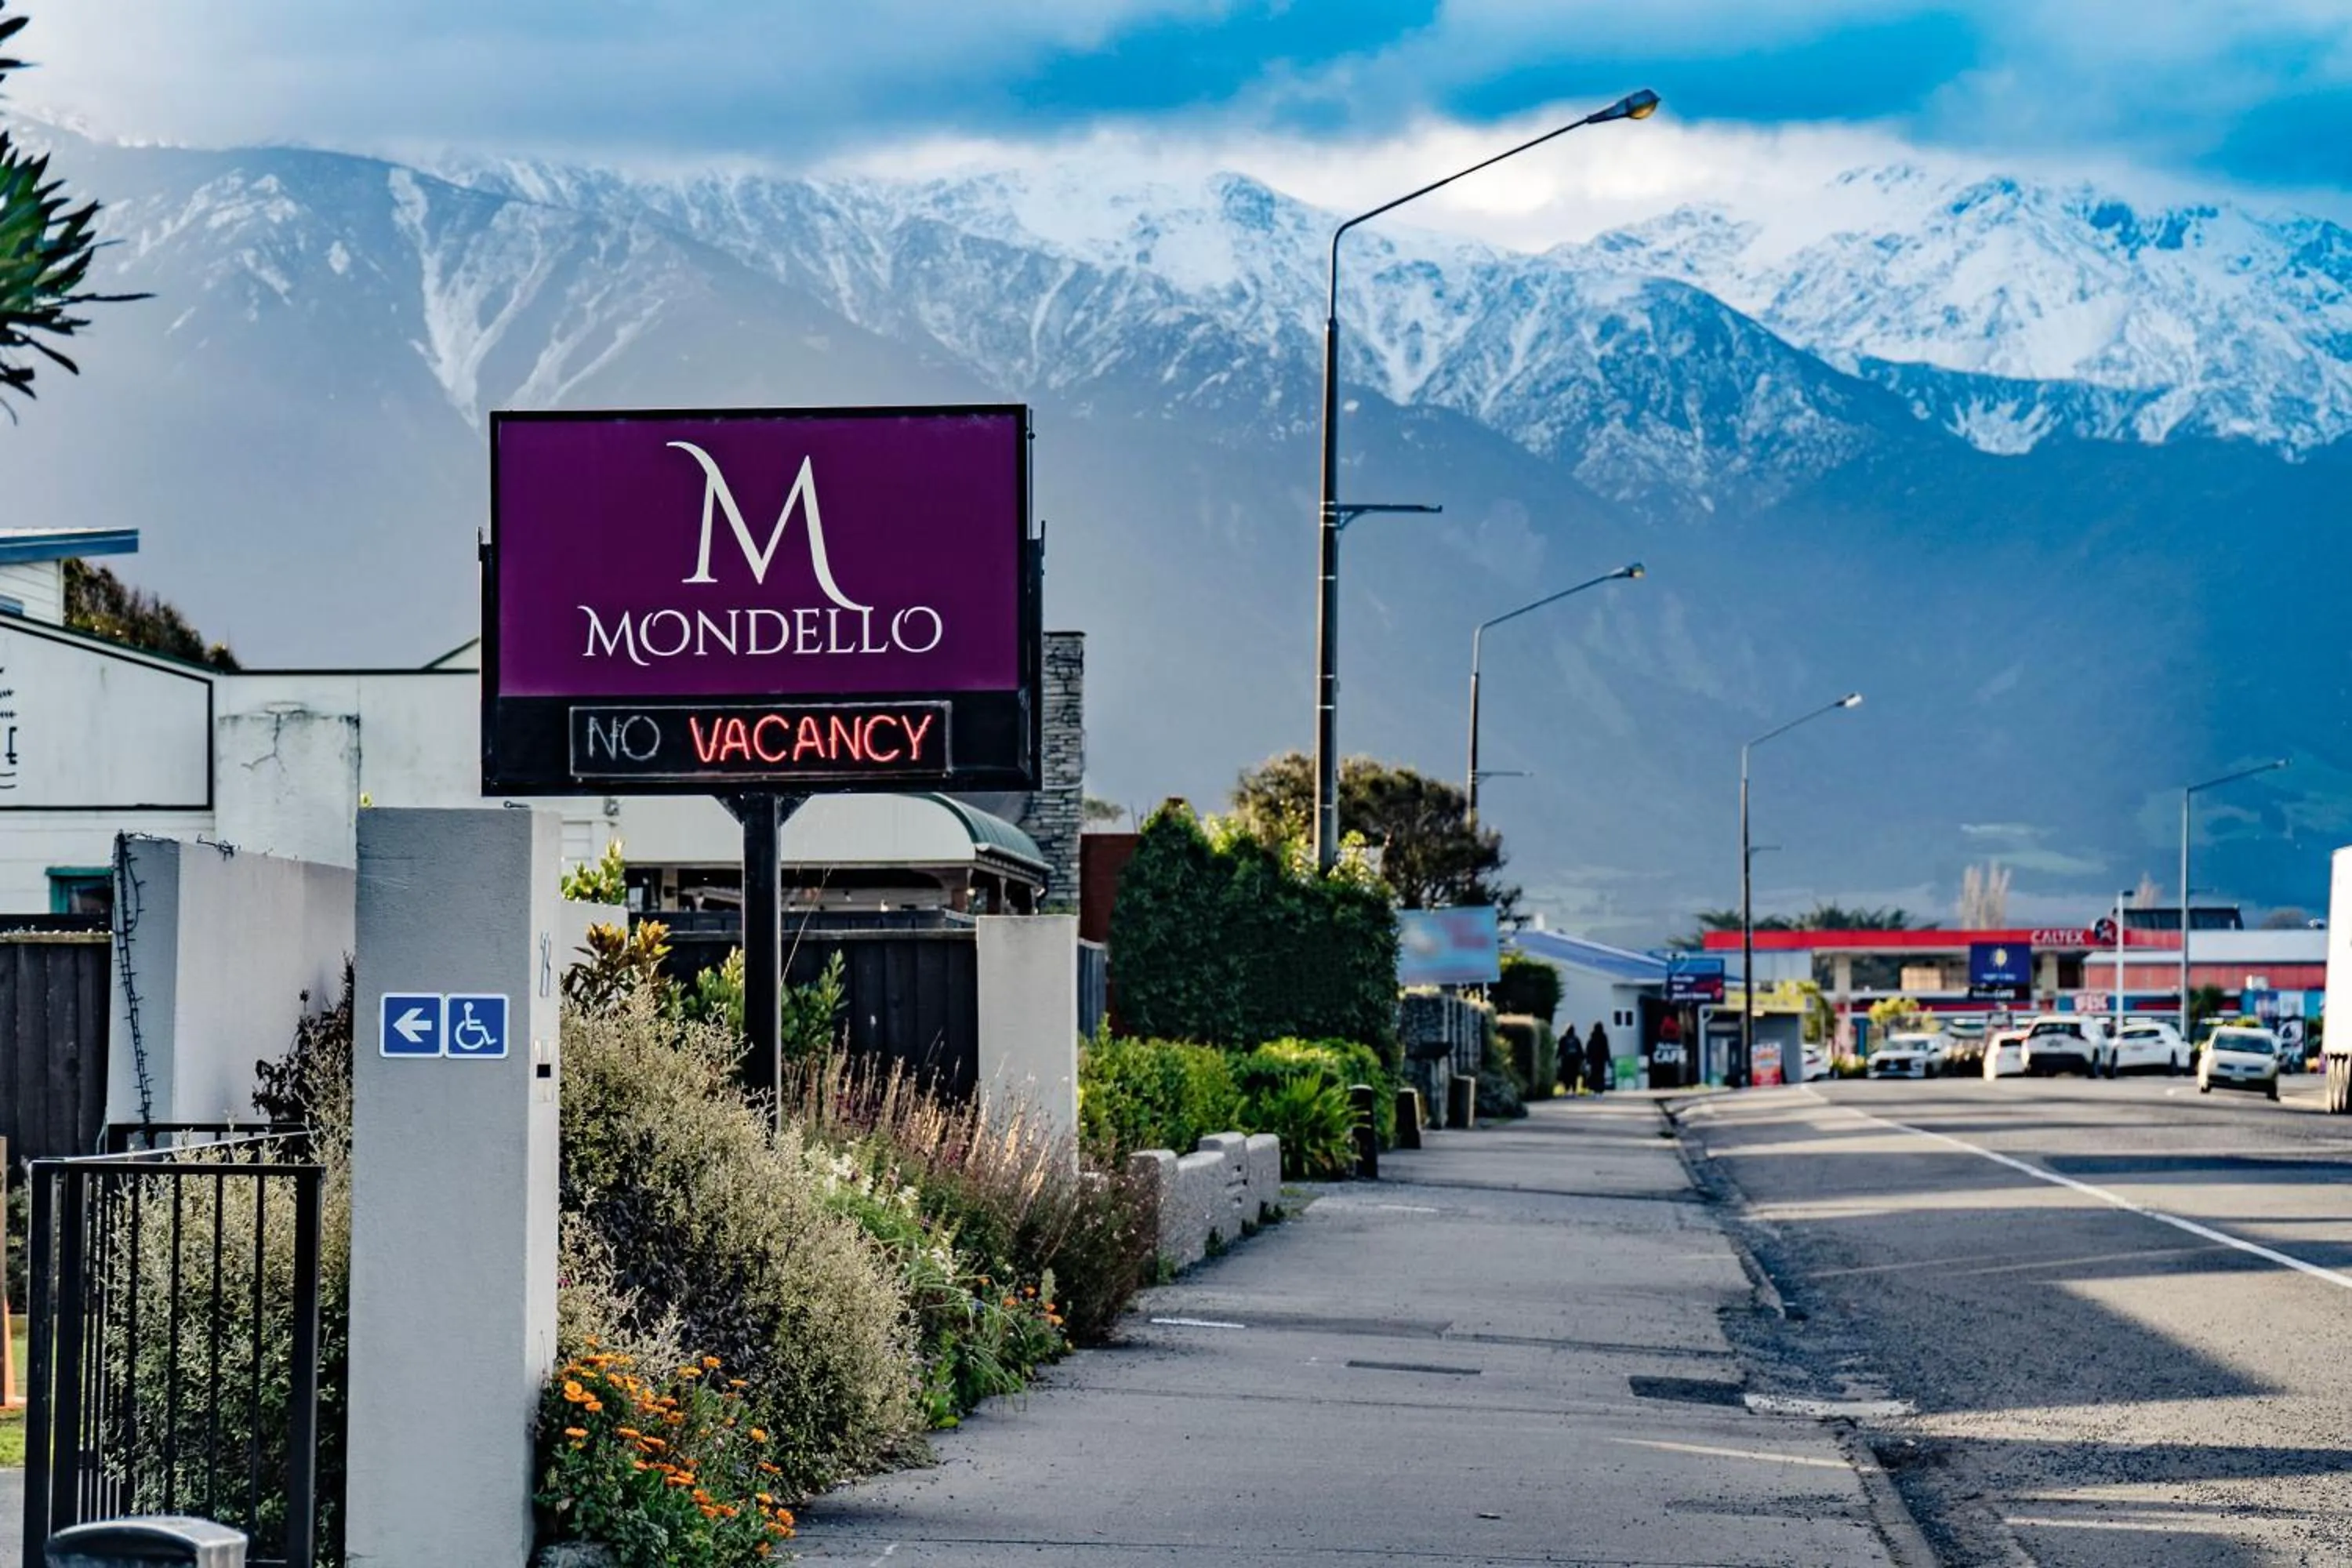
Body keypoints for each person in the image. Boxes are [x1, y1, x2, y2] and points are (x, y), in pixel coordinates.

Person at [1586, 1021, 1612, 1096]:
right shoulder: (1604, 1037)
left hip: (1594, 1060)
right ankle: (1600, 1090)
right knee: (1601, 1075)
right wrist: (1608, 1059)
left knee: (1594, 1074)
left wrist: (1588, 1059)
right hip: (1601, 1059)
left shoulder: (1592, 1036)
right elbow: (1606, 1049)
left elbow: (1589, 1048)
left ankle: (1594, 1089)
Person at [1559, 1023, 1585, 1094]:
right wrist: (1582, 1058)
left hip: (1566, 1061)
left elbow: (1560, 1049)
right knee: (1574, 1076)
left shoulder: (1563, 1039)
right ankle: (1574, 1090)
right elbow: (1580, 1050)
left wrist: (1558, 1057)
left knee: (1566, 1076)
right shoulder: (1576, 1039)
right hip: (1574, 1061)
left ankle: (1567, 1090)